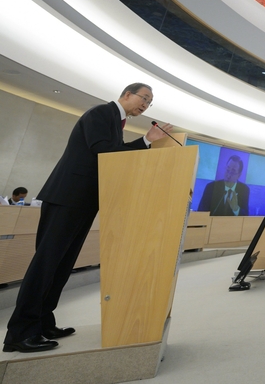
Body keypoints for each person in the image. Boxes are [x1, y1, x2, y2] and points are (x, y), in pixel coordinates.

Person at [3, 83, 172, 353]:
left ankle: (44, 322)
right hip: (66, 197)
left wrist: (145, 141)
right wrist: (147, 142)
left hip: (82, 201)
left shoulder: (116, 122)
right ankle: (18, 334)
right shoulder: (102, 113)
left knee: (61, 266)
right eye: (144, 98)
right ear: (127, 94)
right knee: (46, 265)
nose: (146, 105)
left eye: (149, 102)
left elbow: (109, 154)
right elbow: (106, 154)